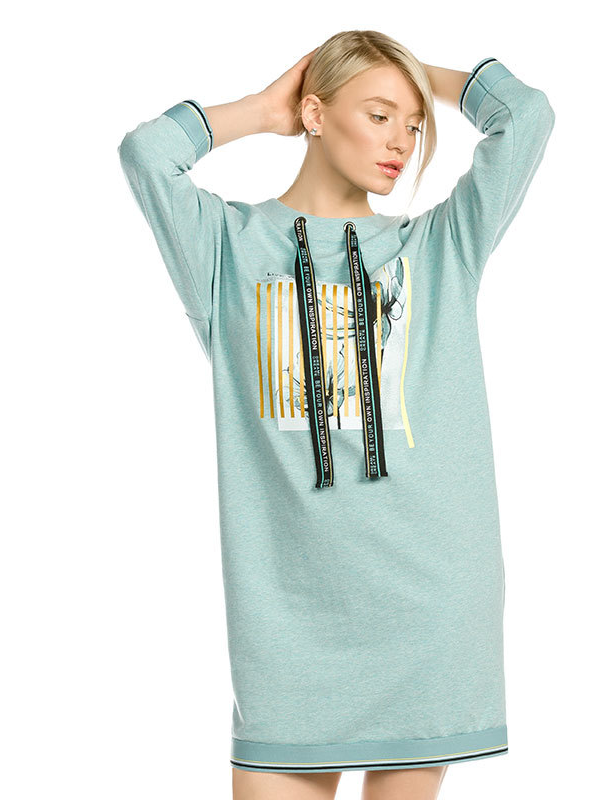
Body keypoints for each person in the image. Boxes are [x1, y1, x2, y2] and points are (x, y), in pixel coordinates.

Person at [118, 29, 555, 800]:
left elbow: (527, 116)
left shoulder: (438, 247)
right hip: (288, 619)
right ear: (315, 113)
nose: (402, 142)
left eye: (414, 124)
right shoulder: (227, 248)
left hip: (428, 604)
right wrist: (264, 110)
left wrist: (415, 73)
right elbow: (147, 154)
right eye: (379, 115)